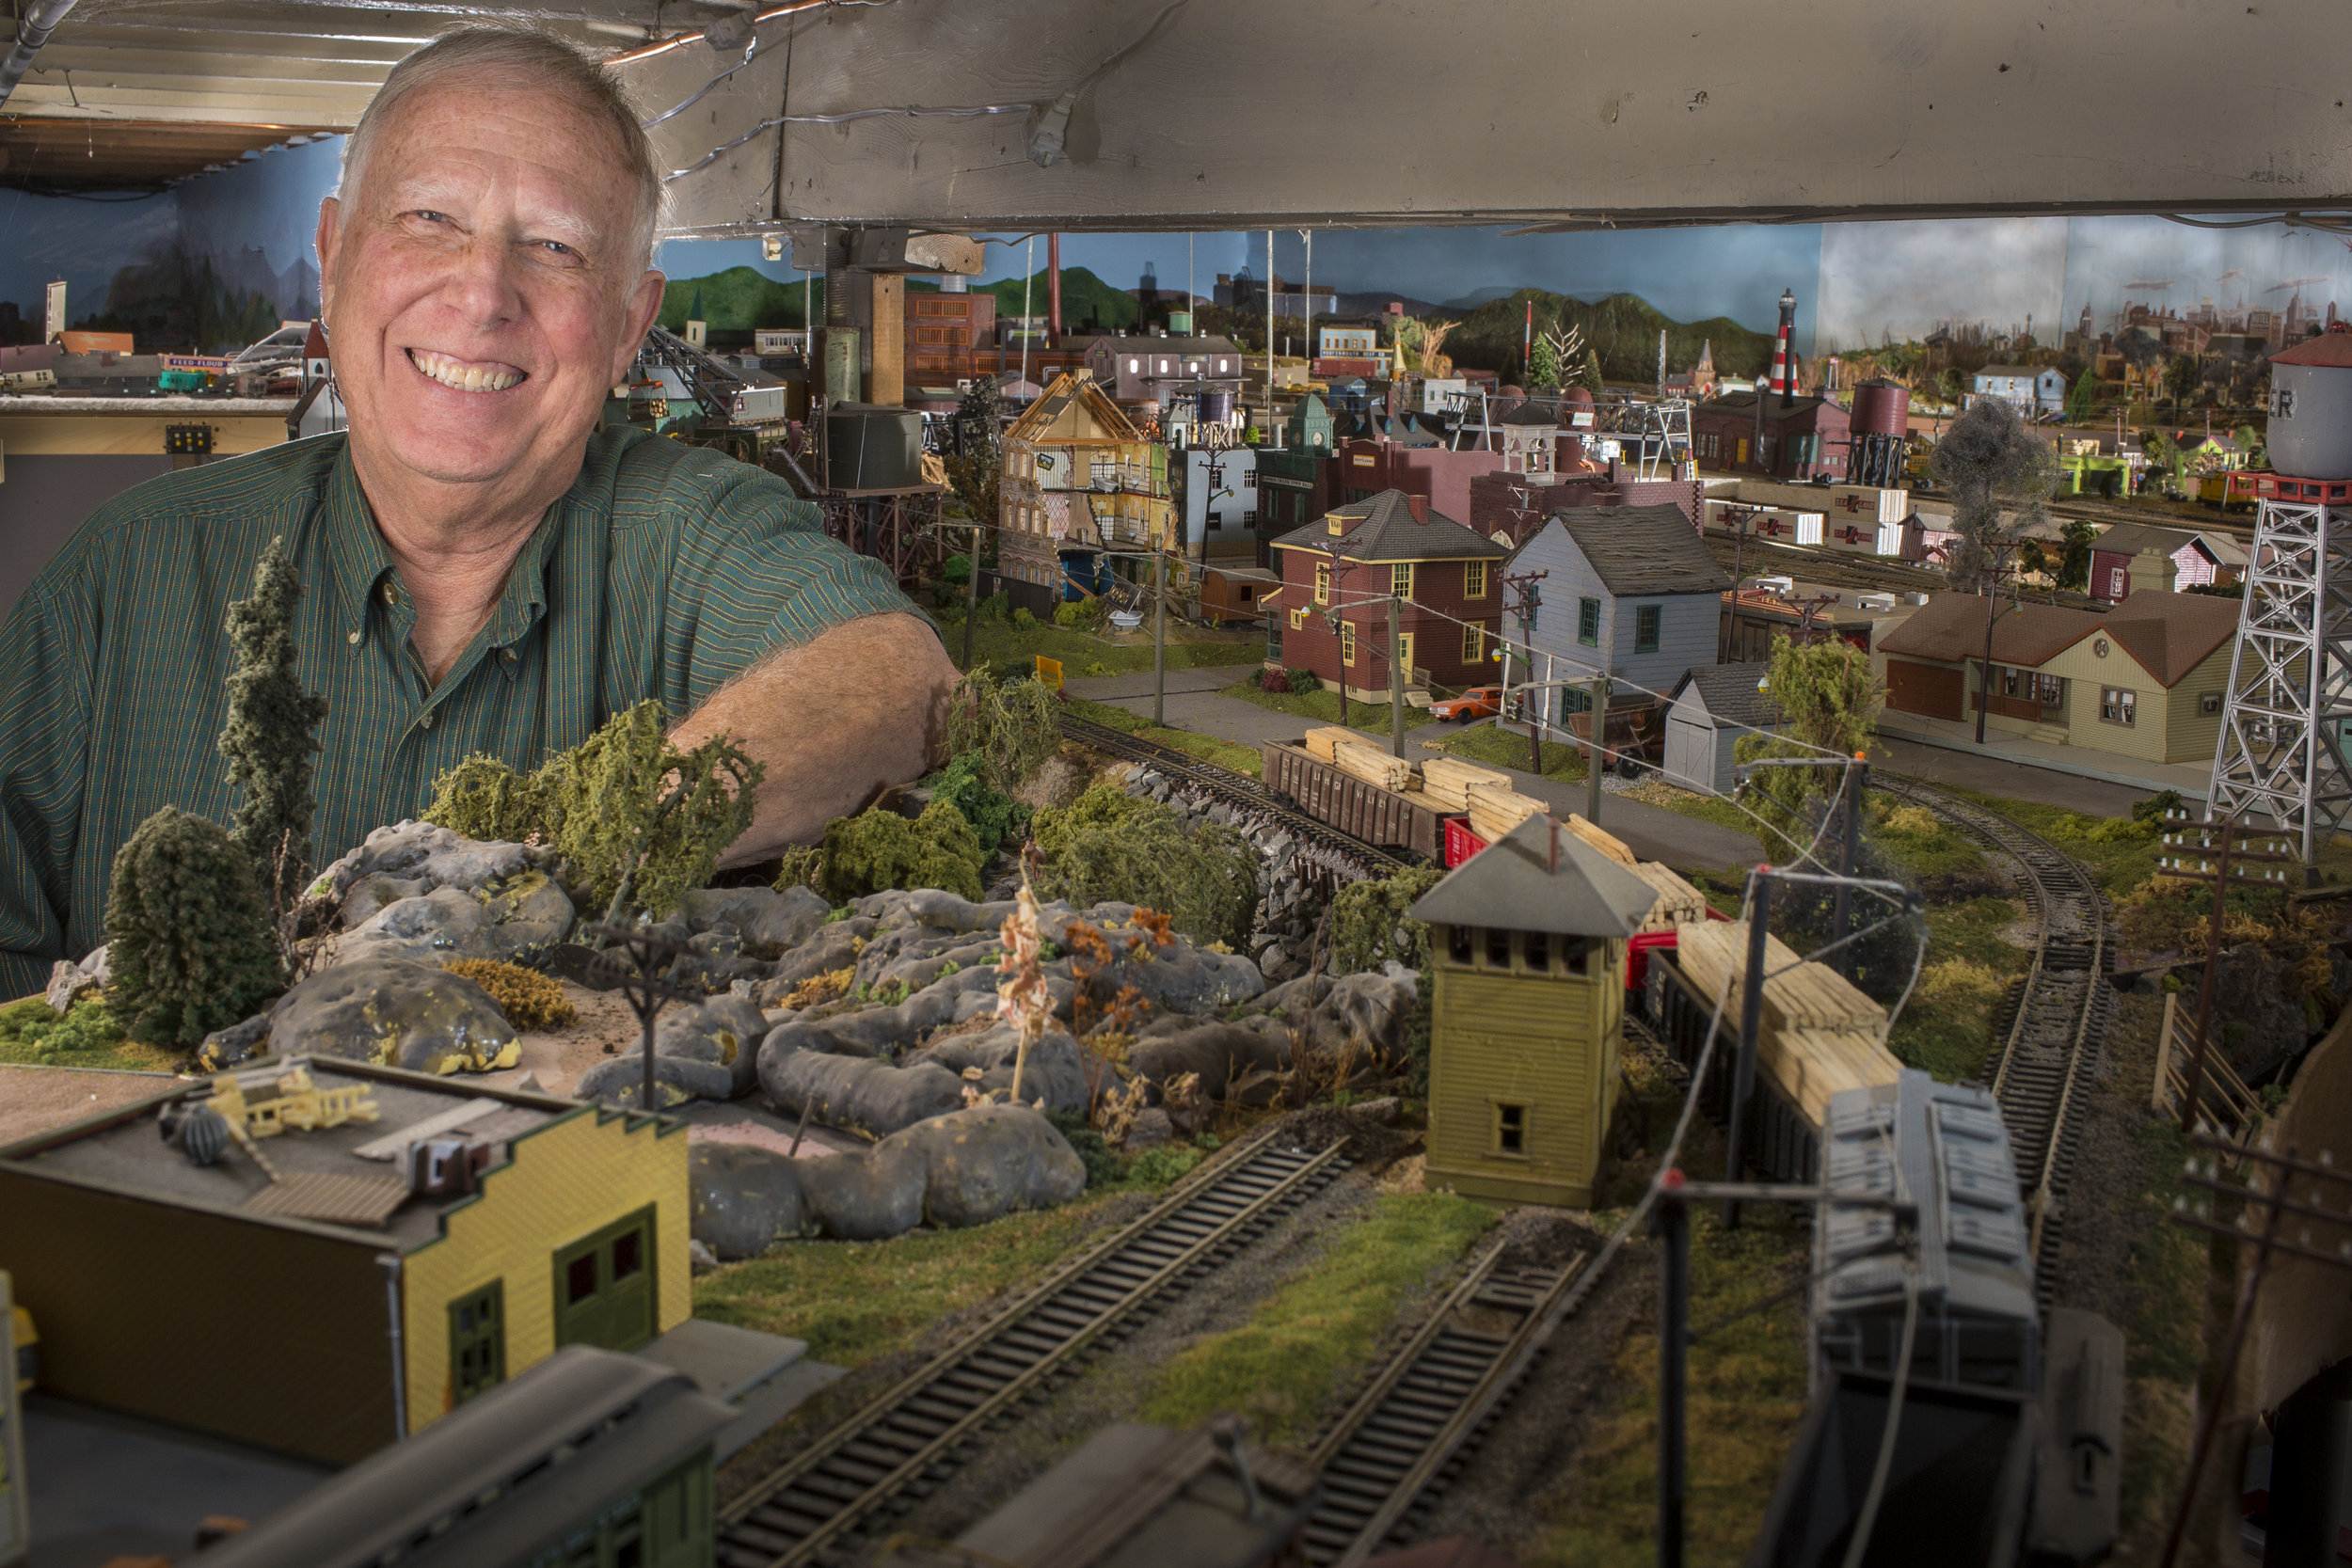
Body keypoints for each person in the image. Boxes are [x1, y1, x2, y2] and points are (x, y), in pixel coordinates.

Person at [0, 27, 957, 999]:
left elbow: (898, 681)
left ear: (629, 324)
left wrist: (540, 857)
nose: (483, 292)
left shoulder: (694, 526)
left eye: (554, 245)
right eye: (429, 217)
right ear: (333, 259)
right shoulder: (122, 579)